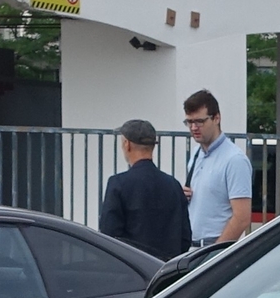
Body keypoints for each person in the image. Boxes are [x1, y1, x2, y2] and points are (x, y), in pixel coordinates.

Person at [96, 118, 190, 260]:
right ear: (153, 146)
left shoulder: (118, 184)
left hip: (131, 270)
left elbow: (109, 236)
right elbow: (185, 237)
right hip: (167, 272)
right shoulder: (173, 185)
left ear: (127, 145)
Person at [182, 88, 252, 247]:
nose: (194, 128)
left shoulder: (235, 160)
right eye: (189, 122)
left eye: (200, 121)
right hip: (191, 248)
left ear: (216, 118)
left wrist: (215, 254)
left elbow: (242, 218)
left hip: (212, 248)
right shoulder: (196, 154)